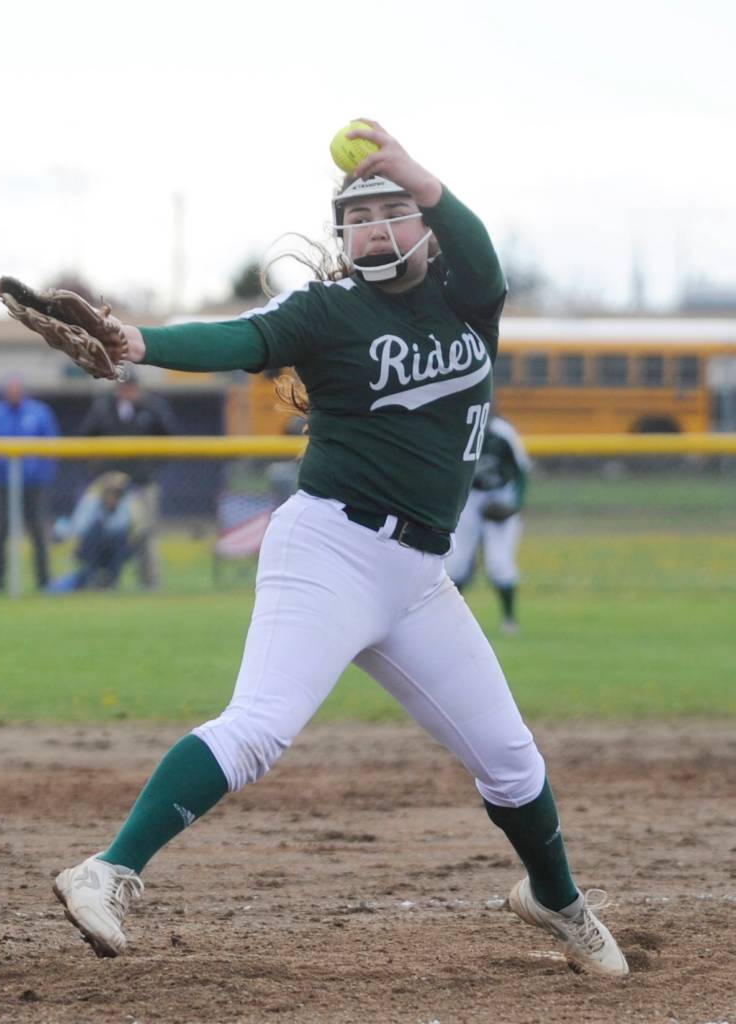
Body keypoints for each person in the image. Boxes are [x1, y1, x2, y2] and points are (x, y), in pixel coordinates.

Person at [51, 120, 628, 977]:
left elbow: (484, 255)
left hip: (419, 576)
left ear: (427, 225)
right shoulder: (328, 313)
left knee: (511, 762)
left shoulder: (468, 300)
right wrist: (140, 345)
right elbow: (240, 339)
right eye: (358, 217)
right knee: (257, 730)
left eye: (394, 210)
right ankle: (107, 870)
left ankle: (556, 899)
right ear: (342, 237)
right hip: (330, 549)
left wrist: (419, 176)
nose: (376, 227)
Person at [79, 369, 177, 589]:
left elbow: (169, 437)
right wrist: (97, 468)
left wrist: (152, 468)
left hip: (142, 481)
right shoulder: (103, 407)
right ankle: (99, 579)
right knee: (100, 530)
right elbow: (86, 438)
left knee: (146, 532)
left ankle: (150, 582)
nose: (128, 392)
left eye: (132, 387)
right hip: (109, 483)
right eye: (124, 387)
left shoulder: (152, 407)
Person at [445, 413, 531, 634]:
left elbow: (522, 471)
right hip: (470, 497)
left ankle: (510, 620)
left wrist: (515, 506)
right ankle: (450, 619)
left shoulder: (503, 432)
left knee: (499, 562)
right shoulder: (459, 426)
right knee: (457, 562)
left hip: (501, 494)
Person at [0, 375, 59, 591]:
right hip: (0, 483)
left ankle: (44, 580)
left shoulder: (39, 412)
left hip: (33, 483)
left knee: (38, 531)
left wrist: (42, 474)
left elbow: (50, 447)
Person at [47, 472, 147, 592]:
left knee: (119, 537)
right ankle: (90, 580)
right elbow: (78, 528)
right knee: (96, 530)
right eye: (110, 492)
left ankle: (110, 582)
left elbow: (136, 531)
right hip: (91, 548)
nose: (113, 497)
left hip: (116, 550)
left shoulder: (127, 504)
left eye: (116, 493)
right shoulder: (91, 502)